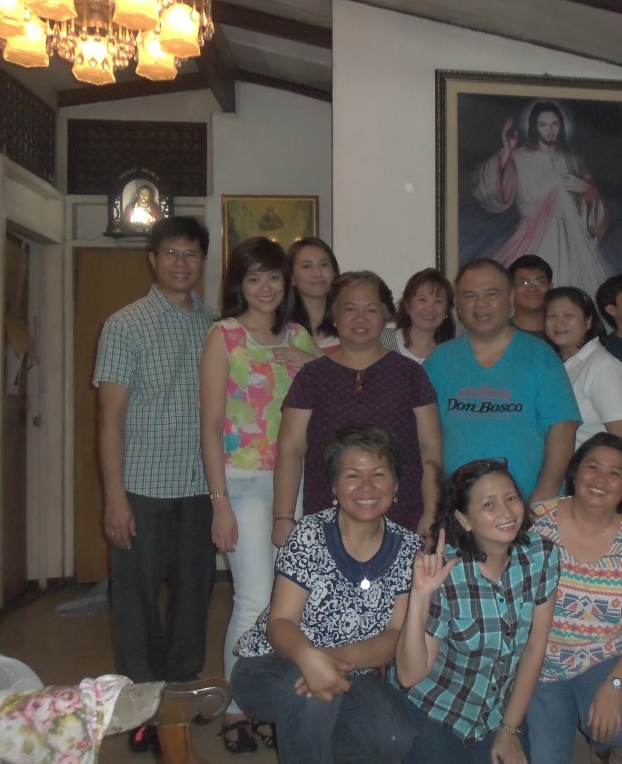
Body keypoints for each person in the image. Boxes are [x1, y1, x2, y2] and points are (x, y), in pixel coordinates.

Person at [93, 216, 216, 752]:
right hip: (141, 486)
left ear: (202, 261)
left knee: (194, 600)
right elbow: (109, 417)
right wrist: (114, 497)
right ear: (153, 259)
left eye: (191, 254)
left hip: (200, 487)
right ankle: (140, 714)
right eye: (171, 253)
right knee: (136, 605)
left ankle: (178, 709)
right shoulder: (125, 323)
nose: (181, 263)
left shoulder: (216, 325)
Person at [230, 425, 422, 764]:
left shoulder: (408, 548)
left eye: (379, 474)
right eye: (352, 475)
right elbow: (281, 622)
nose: (366, 486)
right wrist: (310, 659)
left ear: (396, 486)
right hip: (271, 663)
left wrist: (330, 661)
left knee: (393, 736)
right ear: (334, 487)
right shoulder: (309, 534)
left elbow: (395, 635)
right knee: (314, 698)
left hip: (352, 667)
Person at [199, 236, 318, 753]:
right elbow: (209, 426)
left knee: (288, 606)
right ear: (238, 285)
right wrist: (218, 501)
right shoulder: (222, 337)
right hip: (243, 482)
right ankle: (235, 708)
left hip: (298, 485)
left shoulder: (301, 340)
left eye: (273, 276)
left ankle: (273, 705)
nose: (265, 287)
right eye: (253, 278)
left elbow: (321, 414)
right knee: (251, 598)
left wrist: (306, 368)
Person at [394, 459, 559, 763]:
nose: (507, 512)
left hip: (496, 713)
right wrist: (419, 596)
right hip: (435, 709)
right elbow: (409, 676)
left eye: (510, 498)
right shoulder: (447, 573)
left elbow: (535, 648)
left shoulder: (542, 555)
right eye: (489, 504)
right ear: (464, 519)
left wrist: (509, 730)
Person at [527, 433, 622, 764]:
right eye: (592, 467)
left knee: (618, 728)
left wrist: (615, 685)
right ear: (575, 472)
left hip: (602, 657)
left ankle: (601, 747)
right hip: (538, 661)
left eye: (615, 473)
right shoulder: (536, 523)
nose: (600, 479)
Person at [273, 271, 442, 542]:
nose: (360, 318)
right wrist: (283, 517)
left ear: (385, 314)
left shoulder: (410, 373)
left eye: (371, 309)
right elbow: (290, 450)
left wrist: (432, 513)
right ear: (334, 315)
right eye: (349, 308)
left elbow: (430, 447)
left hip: (402, 517)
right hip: (327, 517)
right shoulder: (313, 376)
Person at [425, 258, 580, 504]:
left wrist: (541, 501)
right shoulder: (439, 360)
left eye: (491, 294)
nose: (480, 304)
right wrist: (433, 505)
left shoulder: (540, 356)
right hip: (457, 511)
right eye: (470, 295)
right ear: (459, 306)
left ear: (509, 301)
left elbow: (563, 429)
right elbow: (426, 441)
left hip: (529, 509)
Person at [472, 101, 612, 298]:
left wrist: (585, 188)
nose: (550, 131)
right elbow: (496, 191)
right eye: (543, 125)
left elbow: (594, 200)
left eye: (555, 124)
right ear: (534, 127)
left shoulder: (572, 159)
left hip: (573, 239)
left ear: (562, 126)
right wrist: (506, 151)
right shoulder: (519, 157)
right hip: (534, 238)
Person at [543, 286, 622, 446]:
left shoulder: (602, 366)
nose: (559, 322)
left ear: (588, 321)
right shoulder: (554, 364)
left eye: (568, 315)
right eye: (552, 316)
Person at [286, 237, 340, 354]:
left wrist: (312, 362)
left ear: (334, 272)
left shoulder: (348, 322)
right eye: (307, 266)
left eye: (324, 265)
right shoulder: (281, 327)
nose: (317, 273)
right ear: (291, 277)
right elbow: (276, 369)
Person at [393, 268, 456, 364]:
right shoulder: (383, 344)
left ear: (447, 310)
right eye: (422, 300)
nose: (430, 309)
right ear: (407, 305)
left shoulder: (451, 355)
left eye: (438, 301)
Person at [508, 255, 553, 338]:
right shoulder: (498, 333)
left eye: (540, 282)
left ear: (550, 287)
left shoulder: (561, 333)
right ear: (511, 290)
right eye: (524, 282)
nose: (532, 288)